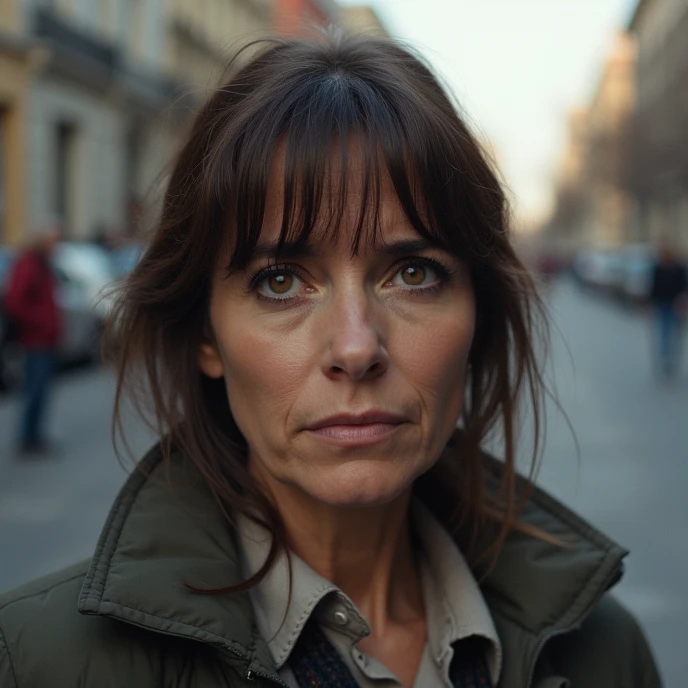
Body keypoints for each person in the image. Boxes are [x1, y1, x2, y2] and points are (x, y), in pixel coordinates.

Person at [0, 33, 660, 687]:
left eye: (412, 272)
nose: (355, 347)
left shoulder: (603, 654)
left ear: (478, 317)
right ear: (207, 336)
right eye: (281, 280)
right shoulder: (40, 664)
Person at [2, 225, 62, 455]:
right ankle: (28, 438)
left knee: (41, 390)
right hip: (35, 339)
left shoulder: (41, 264)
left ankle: (34, 435)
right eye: (53, 241)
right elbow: (16, 302)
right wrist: (39, 323)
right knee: (34, 390)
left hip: (44, 339)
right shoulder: (29, 264)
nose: (56, 246)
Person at [648, 241, 687, 379]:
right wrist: (651, 305)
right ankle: (665, 359)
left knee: (675, 334)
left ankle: (672, 358)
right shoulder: (658, 268)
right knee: (664, 334)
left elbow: (683, 288)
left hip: (675, 306)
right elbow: (653, 288)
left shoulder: (679, 268)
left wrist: (683, 300)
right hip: (662, 305)